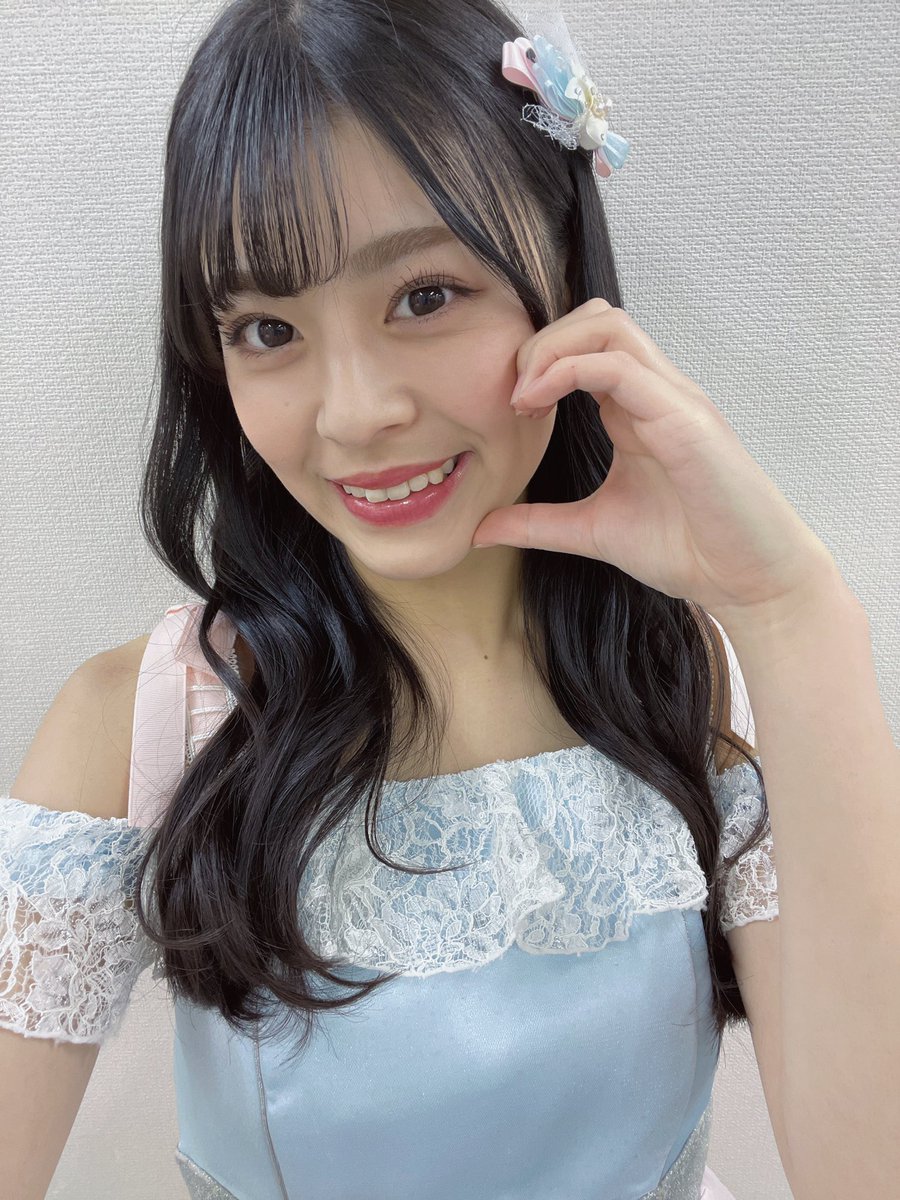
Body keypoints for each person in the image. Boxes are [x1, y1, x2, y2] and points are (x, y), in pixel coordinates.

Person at [0, 2, 792, 1197]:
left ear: (564, 274)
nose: (357, 411)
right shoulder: (146, 723)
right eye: (269, 327)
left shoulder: (692, 673)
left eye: (424, 295)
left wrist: (796, 610)